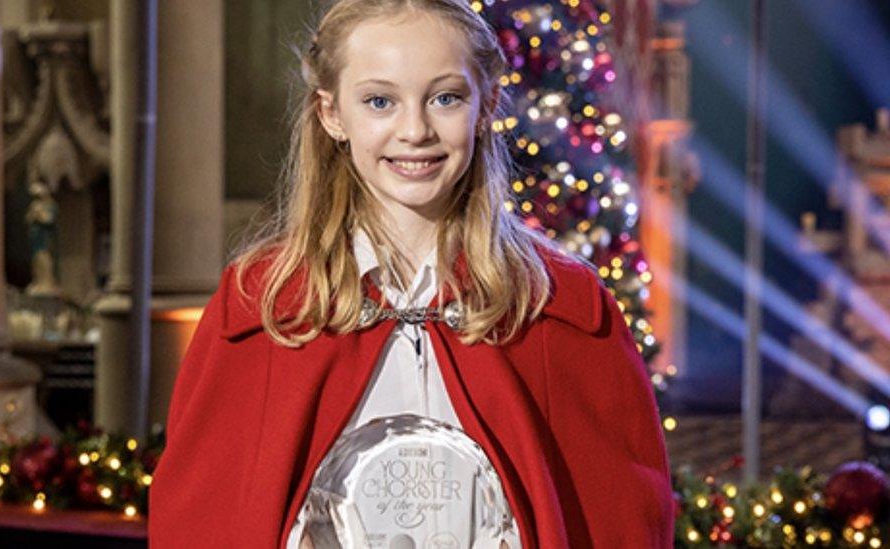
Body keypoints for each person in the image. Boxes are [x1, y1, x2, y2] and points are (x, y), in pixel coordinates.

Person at [149, 0, 674, 547]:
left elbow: (622, 518)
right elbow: (202, 521)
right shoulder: (263, 307)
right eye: (380, 101)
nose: (415, 130)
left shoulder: (557, 307)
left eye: (445, 98)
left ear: (487, 103)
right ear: (332, 114)